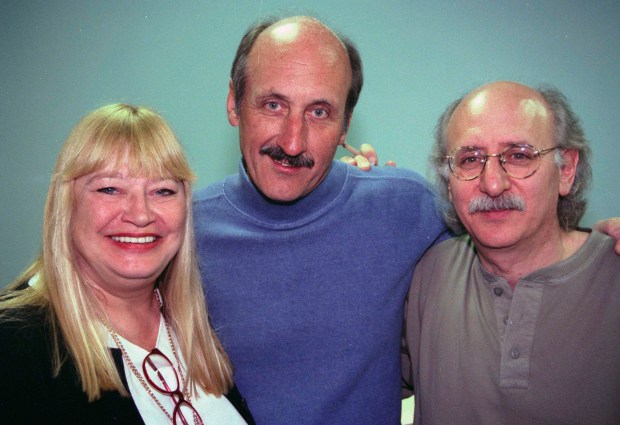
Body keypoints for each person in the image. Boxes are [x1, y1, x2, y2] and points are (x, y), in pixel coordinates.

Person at [193, 16, 448, 424]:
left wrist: (587, 245)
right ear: (233, 103)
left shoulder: (405, 209)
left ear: (346, 123)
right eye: (273, 105)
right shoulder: (181, 233)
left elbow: (512, 256)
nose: (293, 141)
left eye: (319, 112)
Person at [0, 104, 254, 424]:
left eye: (162, 190)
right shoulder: (14, 347)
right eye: (110, 188)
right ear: (66, 204)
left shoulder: (197, 320)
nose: (140, 214)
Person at [401, 81, 620, 424]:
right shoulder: (427, 274)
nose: (492, 184)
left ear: (566, 170)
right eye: (470, 159)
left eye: (519, 156)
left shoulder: (613, 275)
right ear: (448, 180)